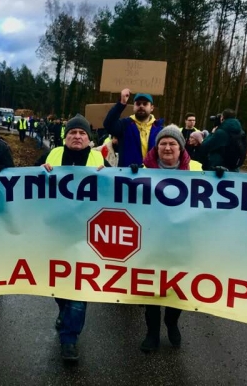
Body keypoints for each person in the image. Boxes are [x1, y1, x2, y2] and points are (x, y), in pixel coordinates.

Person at [37, 114, 109, 362]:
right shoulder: (53, 155)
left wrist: (115, 175)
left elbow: (124, 190)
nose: (77, 137)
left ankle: (70, 339)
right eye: (72, 133)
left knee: (81, 287)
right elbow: (21, 181)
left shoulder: (100, 159)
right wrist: (39, 171)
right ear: (65, 137)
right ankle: (64, 310)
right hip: (55, 233)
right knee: (57, 283)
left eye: (82, 133)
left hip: (88, 236)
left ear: (89, 139)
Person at [137, 125, 201, 352]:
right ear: (157, 147)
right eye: (162, 143)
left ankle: (172, 321)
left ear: (181, 147)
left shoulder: (197, 169)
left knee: (179, 285)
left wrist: (221, 177)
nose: (167, 147)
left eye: (172, 143)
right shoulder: (142, 169)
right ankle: (152, 332)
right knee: (150, 287)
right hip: (150, 239)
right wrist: (130, 176)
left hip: (183, 240)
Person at [103, 88, 164, 167]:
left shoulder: (160, 129)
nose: (141, 106)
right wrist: (121, 103)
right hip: (128, 176)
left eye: (145, 104)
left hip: (153, 176)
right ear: (133, 107)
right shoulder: (125, 125)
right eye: (138, 104)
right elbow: (108, 124)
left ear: (152, 107)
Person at [196, 108, 244, 173]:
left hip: (218, 170)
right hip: (234, 168)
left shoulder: (221, 132)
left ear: (222, 118)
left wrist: (212, 133)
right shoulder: (241, 132)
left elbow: (204, 146)